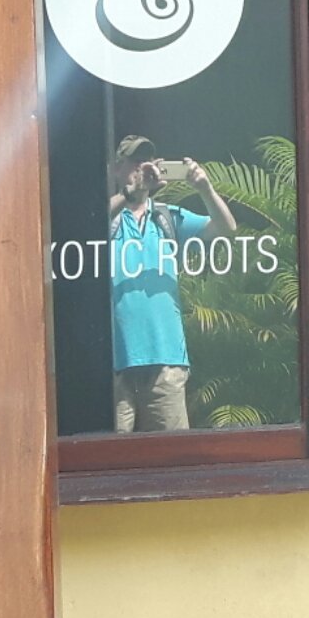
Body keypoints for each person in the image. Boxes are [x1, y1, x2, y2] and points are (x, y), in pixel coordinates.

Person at [106, 135, 239, 433]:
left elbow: (226, 228)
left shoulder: (167, 217)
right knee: (112, 456)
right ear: (116, 169)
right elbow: (83, 228)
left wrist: (205, 189)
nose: (142, 167)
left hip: (166, 360)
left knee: (171, 455)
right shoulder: (112, 217)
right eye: (134, 161)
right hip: (115, 363)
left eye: (147, 161)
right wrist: (130, 193)